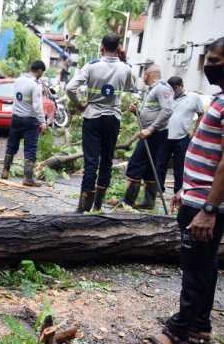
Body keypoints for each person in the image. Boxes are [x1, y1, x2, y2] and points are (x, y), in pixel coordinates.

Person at [138, 36, 224, 344]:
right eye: (209, 60)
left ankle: (179, 332)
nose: (209, 66)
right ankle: (200, 326)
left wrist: (209, 208)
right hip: (199, 196)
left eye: (215, 61)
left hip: (207, 203)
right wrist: (186, 190)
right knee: (205, 263)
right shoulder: (218, 97)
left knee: (194, 266)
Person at [66, 33, 135, 212]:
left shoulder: (91, 66)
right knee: (107, 161)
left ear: (102, 48)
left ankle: (83, 208)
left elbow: (69, 88)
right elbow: (130, 87)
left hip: (93, 117)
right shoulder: (125, 68)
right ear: (119, 48)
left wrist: (80, 105)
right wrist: (124, 60)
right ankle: (97, 206)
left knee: (91, 162)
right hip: (113, 119)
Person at [122, 63, 174, 209]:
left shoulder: (162, 88)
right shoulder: (152, 89)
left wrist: (150, 129)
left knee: (135, 164)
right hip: (152, 133)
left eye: (143, 74)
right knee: (150, 168)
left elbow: (167, 111)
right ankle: (148, 202)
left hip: (155, 134)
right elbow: (154, 111)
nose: (142, 77)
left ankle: (128, 202)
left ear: (148, 74)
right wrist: (136, 112)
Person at [0, 60, 47, 187]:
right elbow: (37, 106)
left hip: (16, 118)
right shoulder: (35, 85)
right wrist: (43, 122)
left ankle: (5, 170)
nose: (41, 75)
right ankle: (28, 178)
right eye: (42, 72)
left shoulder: (18, 80)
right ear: (39, 71)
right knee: (30, 148)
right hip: (30, 121)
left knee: (11, 145)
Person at [156, 76, 205, 195]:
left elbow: (201, 114)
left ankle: (178, 193)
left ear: (179, 87)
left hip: (183, 137)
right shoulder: (167, 97)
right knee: (160, 164)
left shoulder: (194, 98)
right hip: (165, 135)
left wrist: (195, 131)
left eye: (173, 89)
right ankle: (158, 190)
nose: (171, 92)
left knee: (180, 167)